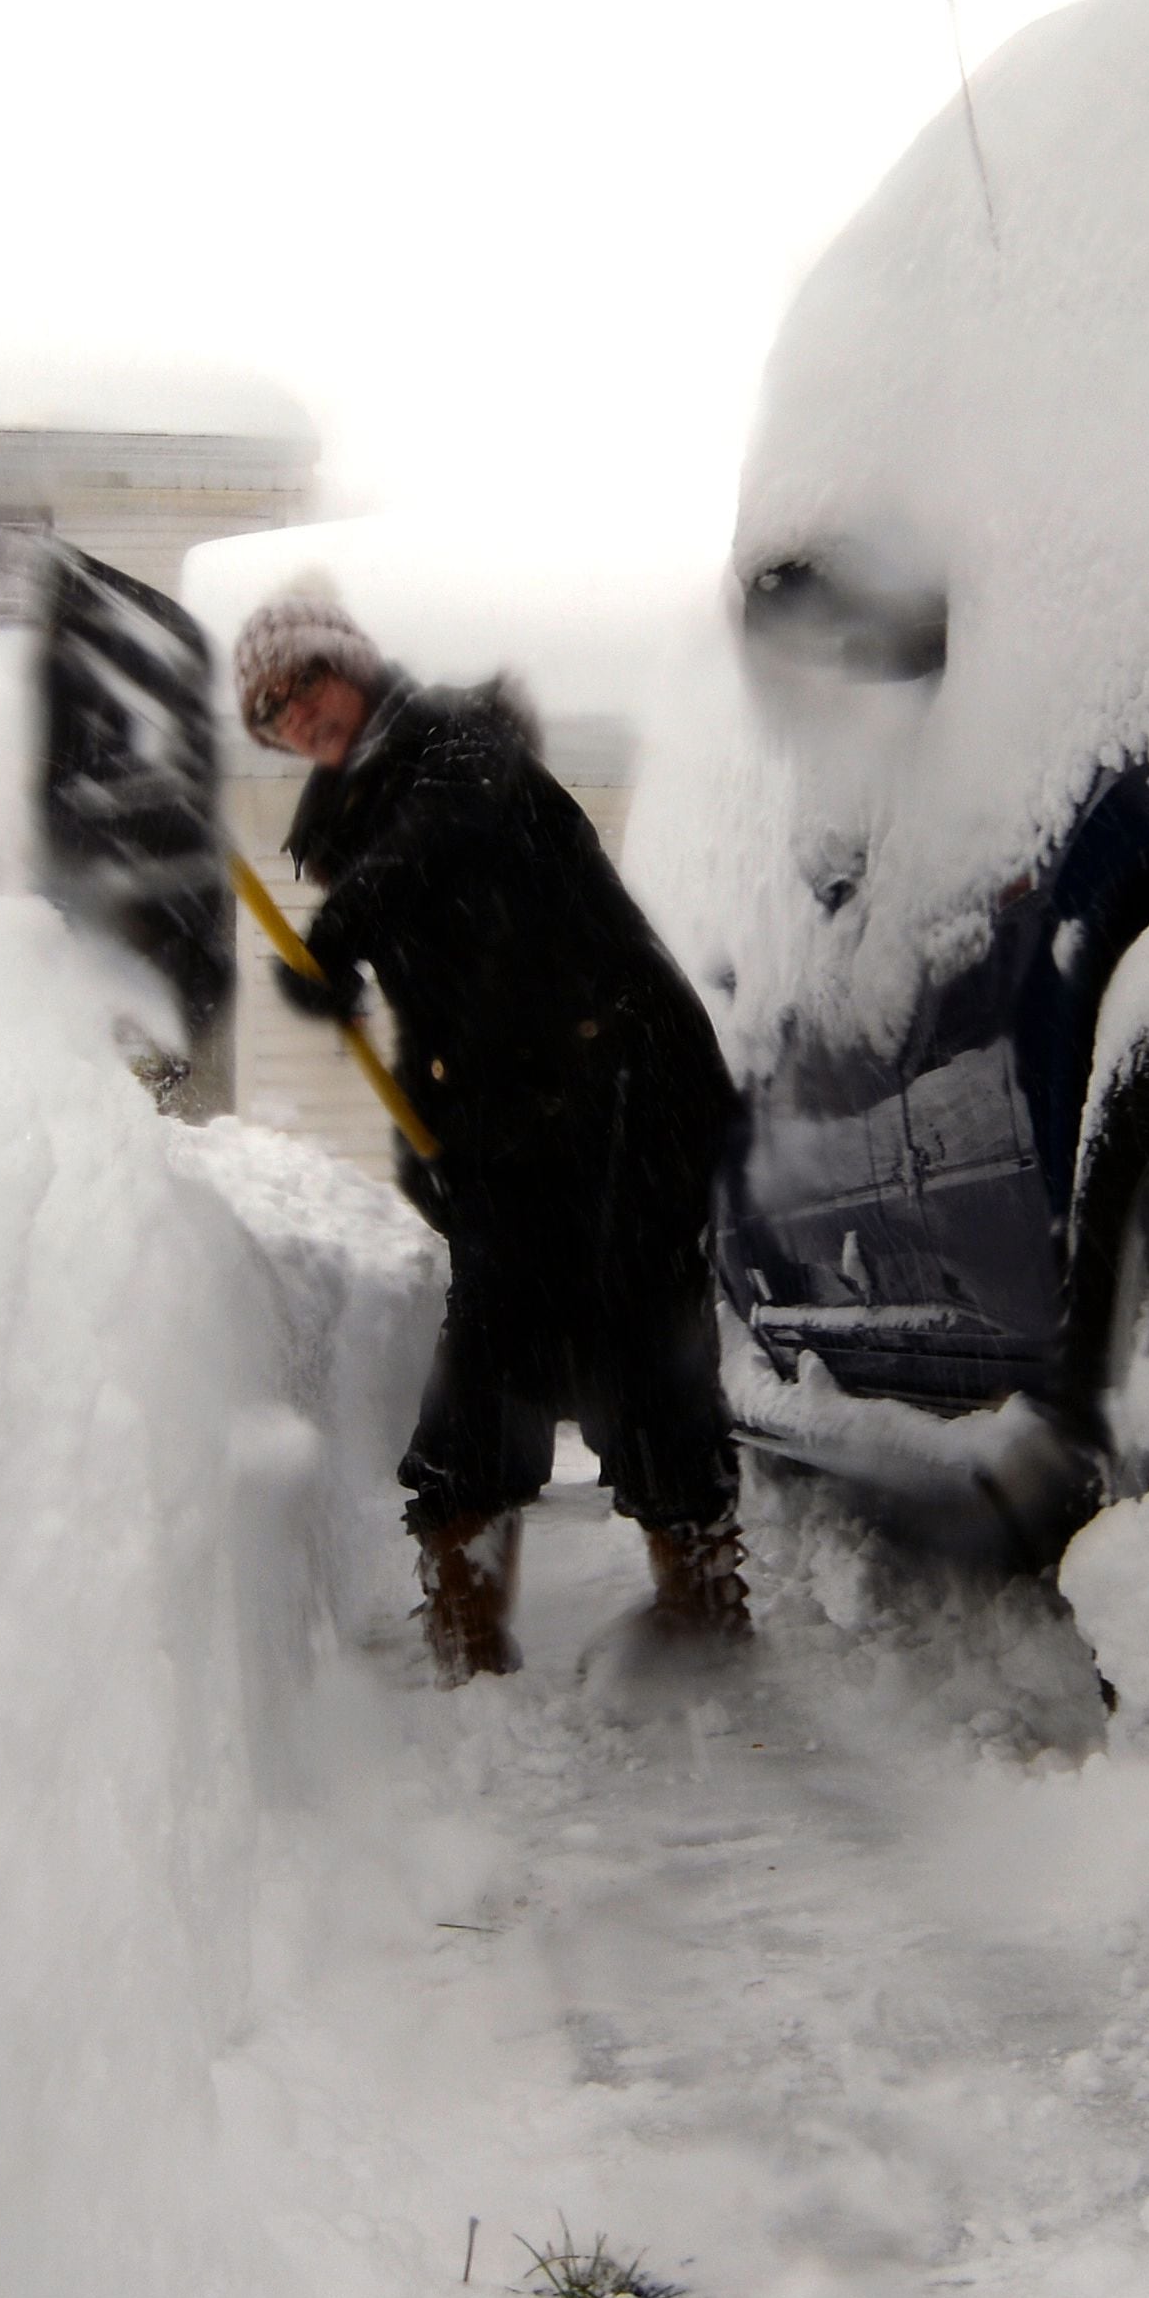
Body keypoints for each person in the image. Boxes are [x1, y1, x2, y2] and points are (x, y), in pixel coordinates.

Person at [234, 576, 747, 1685]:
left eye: (301, 682)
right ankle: (467, 1612)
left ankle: (699, 1595)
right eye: (269, 713)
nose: (292, 715)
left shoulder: (458, 745)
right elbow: (446, 1005)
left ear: (351, 662)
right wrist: (433, 1145)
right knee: (490, 1344)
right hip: (521, 1110)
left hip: (626, 1078)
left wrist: (345, 929)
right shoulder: (358, 819)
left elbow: (445, 839)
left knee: (639, 1330)